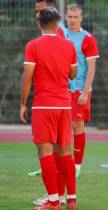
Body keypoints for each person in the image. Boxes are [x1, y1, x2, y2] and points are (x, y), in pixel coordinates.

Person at [20, 8, 78, 210]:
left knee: (45, 154)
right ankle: (71, 200)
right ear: (57, 24)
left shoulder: (33, 45)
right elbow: (73, 74)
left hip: (43, 105)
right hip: (64, 104)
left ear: (39, 24)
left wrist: (22, 103)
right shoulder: (69, 45)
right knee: (66, 153)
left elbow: (27, 76)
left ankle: (53, 200)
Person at [29, 0, 68, 178]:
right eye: (36, 11)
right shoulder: (52, 30)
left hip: (55, 96)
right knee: (56, 148)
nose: (37, 14)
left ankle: (55, 195)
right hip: (58, 96)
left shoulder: (55, 31)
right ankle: (61, 195)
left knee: (55, 149)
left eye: (40, 10)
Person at [65, 3, 99, 179]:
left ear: (81, 18)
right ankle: (56, 162)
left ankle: (77, 165)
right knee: (58, 127)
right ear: (65, 17)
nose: (73, 20)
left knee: (77, 125)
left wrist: (85, 91)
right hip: (61, 90)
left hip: (79, 89)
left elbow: (91, 67)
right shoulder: (59, 33)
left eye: (76, 17)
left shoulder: (87, 38)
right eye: (70, 17)